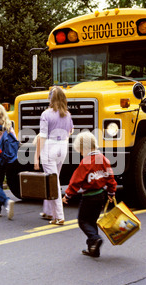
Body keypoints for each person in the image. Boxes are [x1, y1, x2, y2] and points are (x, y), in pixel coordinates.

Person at [63, 131, 117, 257]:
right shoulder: (104, 159)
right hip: (101, 196)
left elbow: (76, 180)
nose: (81, 153)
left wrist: (68, 195)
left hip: (89, 197)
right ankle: (94, 249)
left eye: (81, 150)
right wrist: (111, 192)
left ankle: (95, 238)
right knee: (92, 221)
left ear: (85, 148)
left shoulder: (86, 162)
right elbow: (110, 177)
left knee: (82, 221)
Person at [34, 86, 74, 225]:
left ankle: (59, 215)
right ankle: (51, 213)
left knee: (53, 183)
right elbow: (70, 131)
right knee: (54, 179)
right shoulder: (67, 114)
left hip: (49, 147)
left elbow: (43, 136)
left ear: (50, 98)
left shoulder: (46, 114)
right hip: (62, 147)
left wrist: (36, 157)